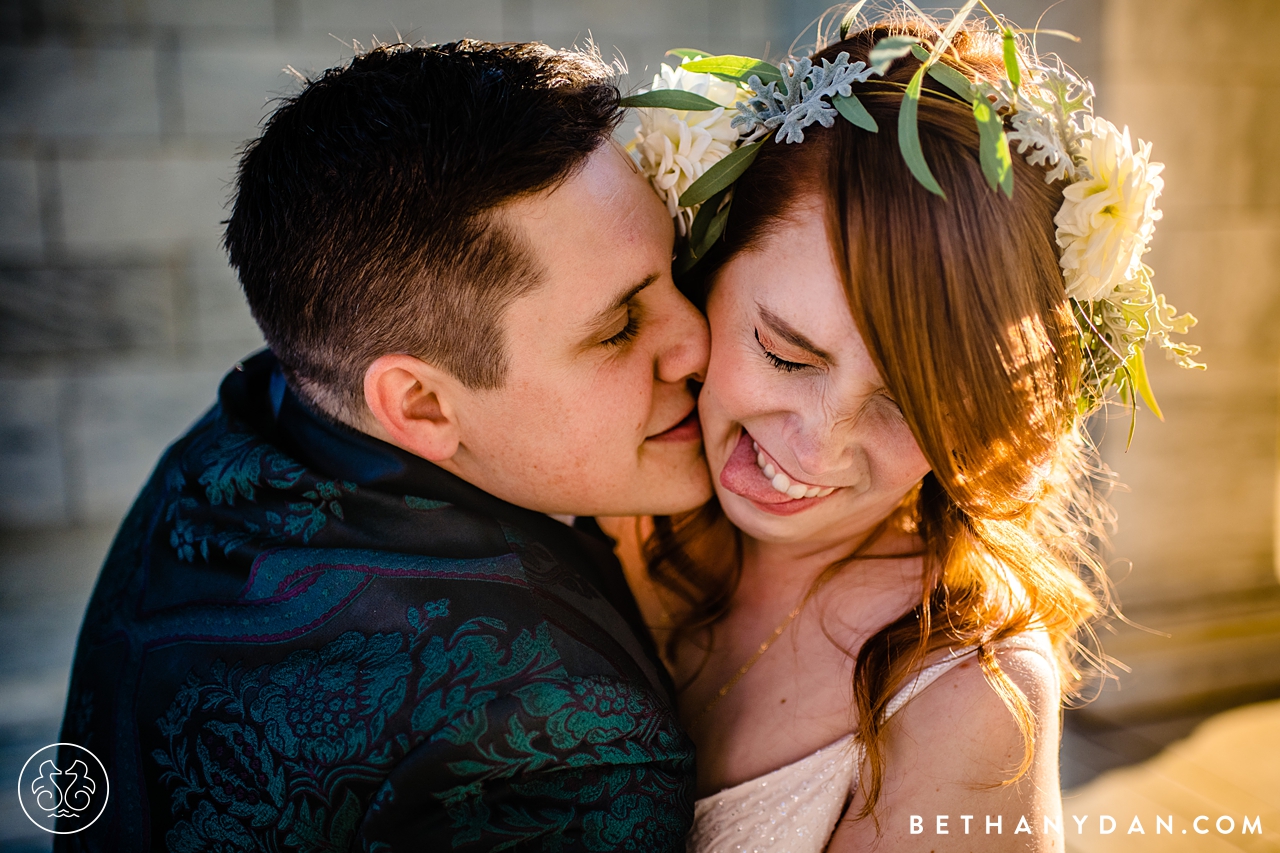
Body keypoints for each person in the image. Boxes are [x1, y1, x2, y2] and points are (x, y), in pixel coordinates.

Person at [58, 40, 712, 851]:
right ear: (421, 403)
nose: (699, 343)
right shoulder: (569, 748)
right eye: (619, 327)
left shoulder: (250, 421)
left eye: (678, 267)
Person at [611, 11, 1194, 851]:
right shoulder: (609, 507)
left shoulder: (970, 702)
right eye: (785, 355)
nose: (815, 445)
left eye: (908, 404)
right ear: (705, 269)